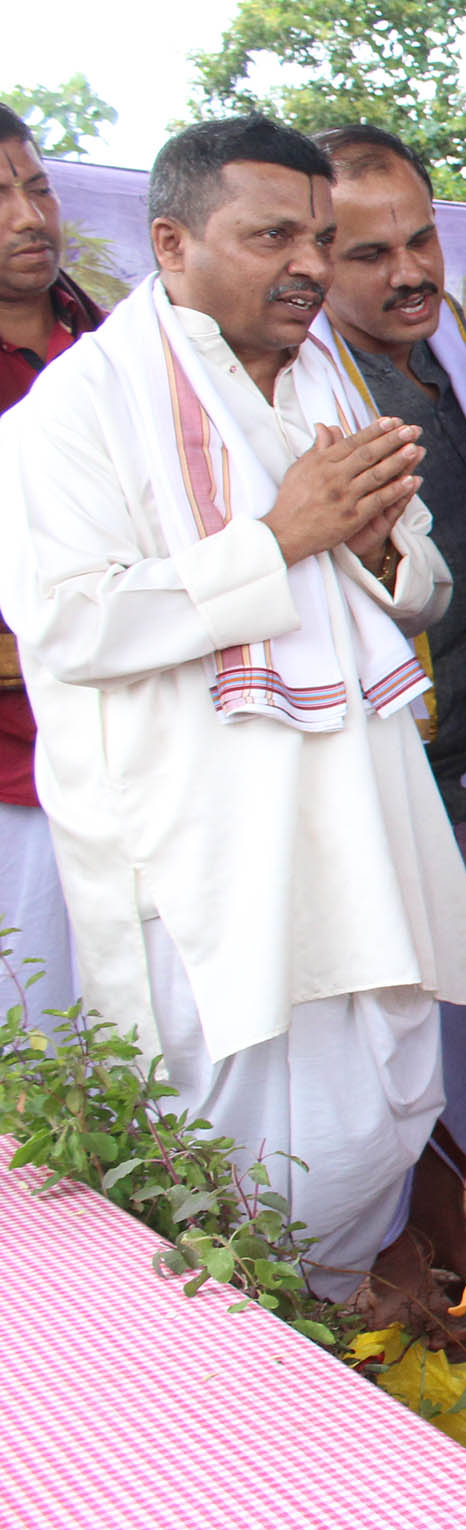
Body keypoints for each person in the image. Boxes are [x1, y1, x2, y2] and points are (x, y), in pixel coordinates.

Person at [0, 116, 466, 1305]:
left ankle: (327, 1335)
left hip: (364, 811)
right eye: (273, 234)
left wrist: (375, 550)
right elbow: (70, 625)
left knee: (381, 1099)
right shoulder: (71, 415)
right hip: (212, 846)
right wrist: (279, 539)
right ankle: (258, 1380)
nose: (312, 265)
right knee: (238, 1154)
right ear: (170, 244)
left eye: (321, 236)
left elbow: (418, 582)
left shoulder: (331, 375)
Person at [316, 123, 466, 1280]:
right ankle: (390, 1241)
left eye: (423, 238)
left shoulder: (439, 349)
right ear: (313, 258)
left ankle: (441, 1210)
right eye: (371, 253)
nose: (411, 271)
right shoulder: (301, 383)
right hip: (375, 756)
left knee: (465, 989)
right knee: (391, 1008)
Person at [0, 102, 102, 1014]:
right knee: (34, 1043)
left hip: (134, 749)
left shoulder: (108, 341)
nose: (29, 217)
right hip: (13, 765)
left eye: (36, 187)